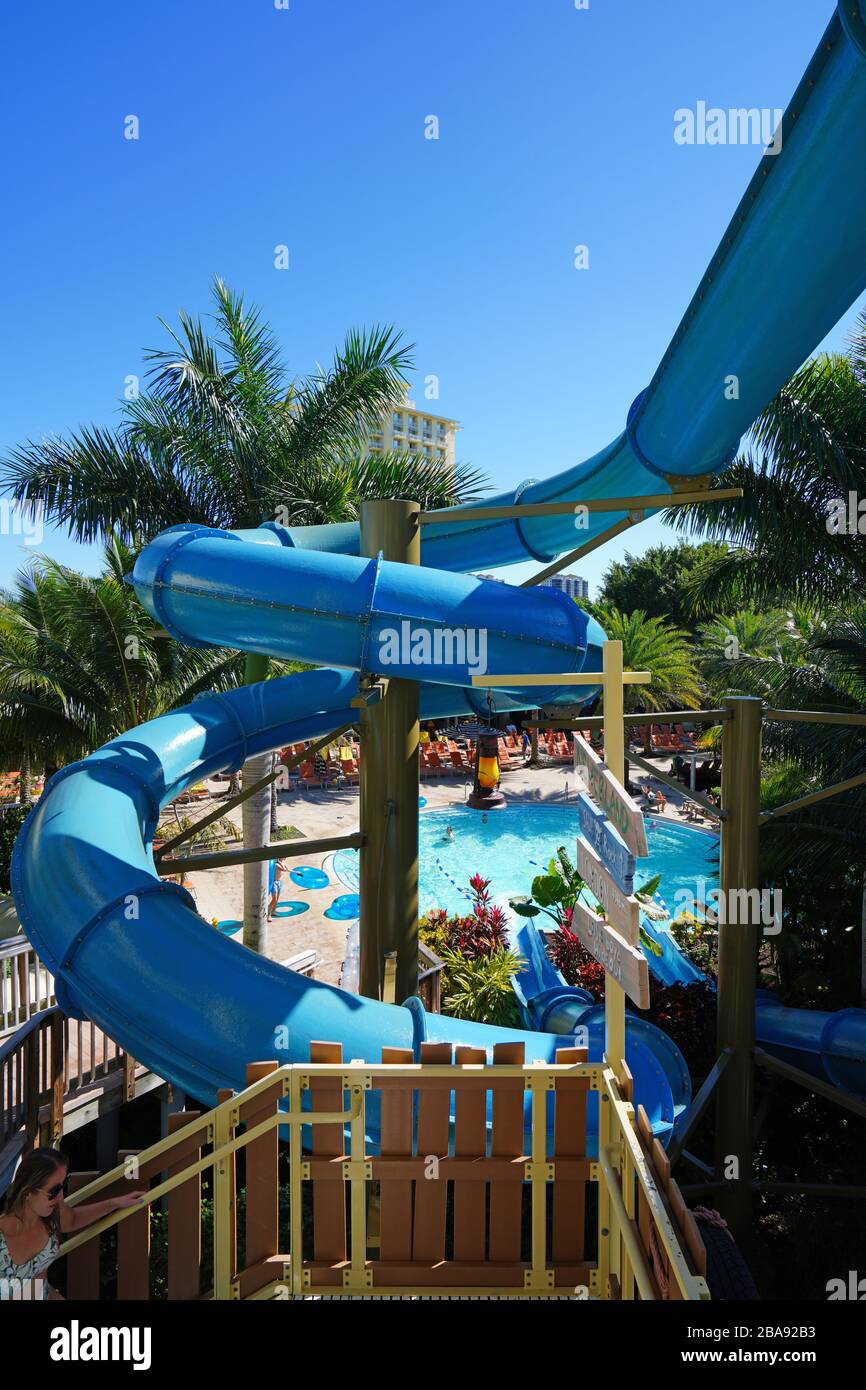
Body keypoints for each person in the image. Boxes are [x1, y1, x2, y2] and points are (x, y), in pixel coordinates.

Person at [0, 1147, 144, 1301]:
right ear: (28, 1192)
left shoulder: (51, 1216)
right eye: (54, 1190)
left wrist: (114, 1204)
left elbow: (73, 1219)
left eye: (62, 1186)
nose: (61, 1196)